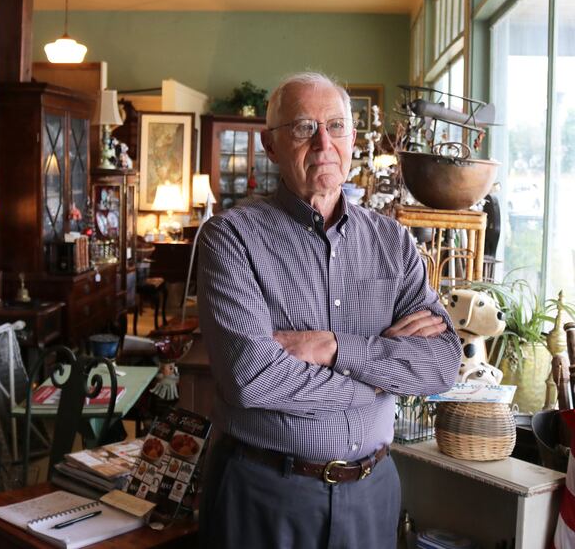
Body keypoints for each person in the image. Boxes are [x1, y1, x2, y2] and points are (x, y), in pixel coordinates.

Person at [197, 72, 461, 549]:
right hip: (265, 492)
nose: (323, 143)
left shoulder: (393, 242)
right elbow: (250, 377)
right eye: (303, 128)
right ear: (271, 145)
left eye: (336, 126)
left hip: (373, 493)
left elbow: (442, 364)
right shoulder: (231, 238)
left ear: (353, 138)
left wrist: (332, 348)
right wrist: (381, 379)